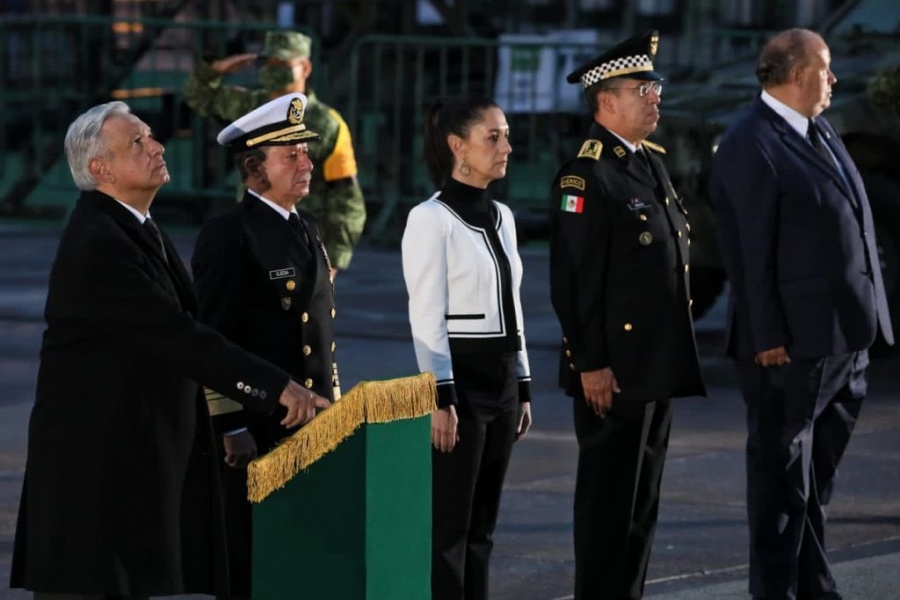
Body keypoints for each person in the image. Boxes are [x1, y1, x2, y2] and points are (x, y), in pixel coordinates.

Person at [9, 101, 330, 599]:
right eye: (136, 142)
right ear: (102, 170)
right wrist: (274, 388)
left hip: (128, 455)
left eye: (151, 136)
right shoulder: (99, 241)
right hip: (95, 465)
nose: (157, 147)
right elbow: (179, 334)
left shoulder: (135, 227)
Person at [709, 28, 894, 600]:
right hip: (792, 343)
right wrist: (766, 334)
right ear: (795, 74)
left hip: (844, 338)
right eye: (826, 68)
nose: (834, 79)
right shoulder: (750, 143)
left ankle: (815, 586)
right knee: (780, 482)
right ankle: (776, 591)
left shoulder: (820, 131)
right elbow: (747, 251)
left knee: (815, 483)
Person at [548, 30, 706, 599]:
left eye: (655, 87)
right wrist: (590, 362)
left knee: (642, 505)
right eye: (644, 88)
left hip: (654, 365)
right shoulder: (586, 174)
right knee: (608, 506)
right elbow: (573, 280)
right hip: (612, 372)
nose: (655, 96)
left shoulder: (647, 163)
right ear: (606, 101)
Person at [191, 92, 339, 599]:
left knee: (301, 551)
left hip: (313, 419)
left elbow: (318, 330)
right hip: (258, 423)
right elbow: (212, 336)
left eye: (305, 151)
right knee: (251, 556)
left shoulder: (307, 226)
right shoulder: (229, 234)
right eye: (291, 155)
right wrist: (229, 422)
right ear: (255, 168)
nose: (307, 162)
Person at [401, 93, 533, 600]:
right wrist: (440, 396)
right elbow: (426, 315)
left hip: (499, 378)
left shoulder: (503, 216)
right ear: (458, 146)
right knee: (448, 530)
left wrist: (521, 384)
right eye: (493, 137)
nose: (507, 147)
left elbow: (512, 304)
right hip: (459, 383)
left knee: (483, 527)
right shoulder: (429, 219)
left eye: (507, 136)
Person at [184, 29, 366, 279]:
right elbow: (197, 95)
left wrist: (332, 261)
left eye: (281, 63)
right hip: (249, 232)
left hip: (301, 240)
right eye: (266, 62)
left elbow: (347, 199)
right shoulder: (248, 106)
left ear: (305, 68)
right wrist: (216, 69)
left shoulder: (329, 124)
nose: (271, 69)